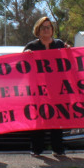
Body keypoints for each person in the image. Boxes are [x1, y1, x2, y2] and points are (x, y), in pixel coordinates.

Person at [24, 16, 67, 157]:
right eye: (43, 27)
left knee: (57, 118)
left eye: (49, 27)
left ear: (52, 30)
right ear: (38, 30)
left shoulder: (59, 44)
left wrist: (70, 51)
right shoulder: (32, 46)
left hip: (58, 88)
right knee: (39, 118)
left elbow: (69, 61)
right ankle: (37, 149)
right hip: (38, 89)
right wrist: (25, 56)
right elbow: (20, 65)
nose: (46, 30)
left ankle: (58, 149)